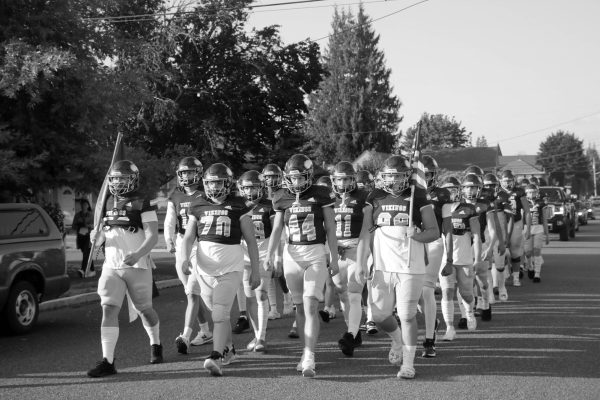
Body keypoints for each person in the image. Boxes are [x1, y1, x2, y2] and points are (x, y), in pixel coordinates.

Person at [356, 155, 439, 379]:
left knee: (407, 314)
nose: (393, 181)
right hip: (382, 266)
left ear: (406, 176)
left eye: (397, 176)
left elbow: (434, 231)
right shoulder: (375, 196)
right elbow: (365, 233)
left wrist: (419, 235)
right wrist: (360, 262)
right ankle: (396, 340)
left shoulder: (417, 195)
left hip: (410, 265)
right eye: (388, 176)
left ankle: (409, 364)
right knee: (381, 315)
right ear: (382, 177)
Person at [181, 163, 261, 377]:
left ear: (227, 183)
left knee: (219, 313)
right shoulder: (197, 205)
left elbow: (251, 241)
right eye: (210, 183)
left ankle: (215, 355)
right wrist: (183, 259)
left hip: (230, 268)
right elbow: (189, 237)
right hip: (204, 270)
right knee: (219, 314)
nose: (214, 187)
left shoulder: (239, 205)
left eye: (218, 182)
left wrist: (256, 269)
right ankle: (230, 350)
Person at [264, 154, 340, 378]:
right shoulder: (281, 196)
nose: (296, 183)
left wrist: (333, 258)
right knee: (298, 306)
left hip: (315, 254)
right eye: (293, 178)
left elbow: (331, 229)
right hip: (291, 255)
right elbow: (277, 229)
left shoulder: (321, 194)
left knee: (309, 305)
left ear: (309, 176)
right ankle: (305, 351)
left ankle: (309, 355)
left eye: (300, 178)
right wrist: (271, 255)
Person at [87, 160, 162, 378]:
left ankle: (156, 343)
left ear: (133, 180)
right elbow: (105, 235)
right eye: (115, 178)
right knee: (108, 308)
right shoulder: (106, 202)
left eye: (123, 178)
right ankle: (108, 361)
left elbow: (152, 236)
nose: (118, 182)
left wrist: (138, 254)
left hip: (137, 265)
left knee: (145, 310)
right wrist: (97, 238)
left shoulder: (142, 203)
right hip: (112, 265)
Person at [164, 157, 213, 354]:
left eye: (189, 172)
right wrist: (168, 239)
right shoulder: (175, 196)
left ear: (199, 174)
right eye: (183, 172)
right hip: (182, 244)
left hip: (201, 244)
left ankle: (185, 335)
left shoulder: (206, 194)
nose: (186, 176)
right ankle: (205, 331)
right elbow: (169, 220)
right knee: (190, 292)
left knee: (194, 292)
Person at [329, 161, 369, 357]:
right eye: (340, 179)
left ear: (353, 179)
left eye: (347, 178)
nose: (343, 182)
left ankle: (351, 335)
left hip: (356, 250)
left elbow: (368, 228)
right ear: (334, 180)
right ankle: (352, 330)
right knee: (342, 294)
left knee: (354, 294)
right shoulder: (328, 199)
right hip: (336, 253)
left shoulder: (363, 197)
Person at [438, 175, 482, 340]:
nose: (450, 192)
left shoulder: (469, 208)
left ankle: (469, 312)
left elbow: (476, 236)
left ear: (459, 190)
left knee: (466, 294)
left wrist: (477, 259)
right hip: (445, 257)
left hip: (464, 258)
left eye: (454, 189)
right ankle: (449, 327)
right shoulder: (439, 208)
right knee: (447, 292)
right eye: (447, 189)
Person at [237, 169, 276, 352]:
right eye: (246, 188)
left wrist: (275, 256)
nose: (250, 191)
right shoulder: (237, 206)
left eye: (253, 187)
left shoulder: (270, 206)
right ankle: (257, 333)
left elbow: (277, 232)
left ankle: (262, 337)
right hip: (243, 257)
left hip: (263, 255)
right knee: (250, 297)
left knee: (261, 294)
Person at [418, 156, 452, 357]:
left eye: (427, 173)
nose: (424, 177)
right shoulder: (409, 193)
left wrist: (449, 257)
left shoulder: (441, 195)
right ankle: (433, 321)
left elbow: (447, 227)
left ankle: (429, 341)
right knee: (411, 293)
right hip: (412, 242)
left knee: (426, 289)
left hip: (433, 243)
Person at [500, 170, 531, 288]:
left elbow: (527, 211)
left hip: (516, 222)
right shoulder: (497, 192)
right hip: (501, 223)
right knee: (501, 249)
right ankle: (503, 275)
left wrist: (528, 228)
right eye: (506, 180)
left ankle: (516, 277)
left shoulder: (519, 192)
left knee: (514, 250)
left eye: (510, 180)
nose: (508, 183)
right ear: (501, 181)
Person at [523, 184, 549, 282]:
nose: (532, 194)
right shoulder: (524, 202)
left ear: (537, 192)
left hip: (539, 228)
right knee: (528, 252)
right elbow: (522, 217)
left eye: (533, 192)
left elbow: (545, 219)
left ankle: (537, 274)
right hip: (527, 228)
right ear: (526, 193)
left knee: (537, 250)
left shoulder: (542, 203)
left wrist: (547, 235)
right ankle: (530, 266)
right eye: (529, 192)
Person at [73, 199, 95, 278]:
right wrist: (79, 225)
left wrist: (88, 225)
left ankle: (83, 270)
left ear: (88, 206)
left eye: (85, 205)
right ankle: (92, 270)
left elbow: (94, 226)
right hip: (80, 236)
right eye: (82, 205)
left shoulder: (91, 215)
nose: (83, 206)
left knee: (86, 253)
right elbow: (73, 226)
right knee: (86, 253)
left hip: (88, 236)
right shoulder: (77, 215)